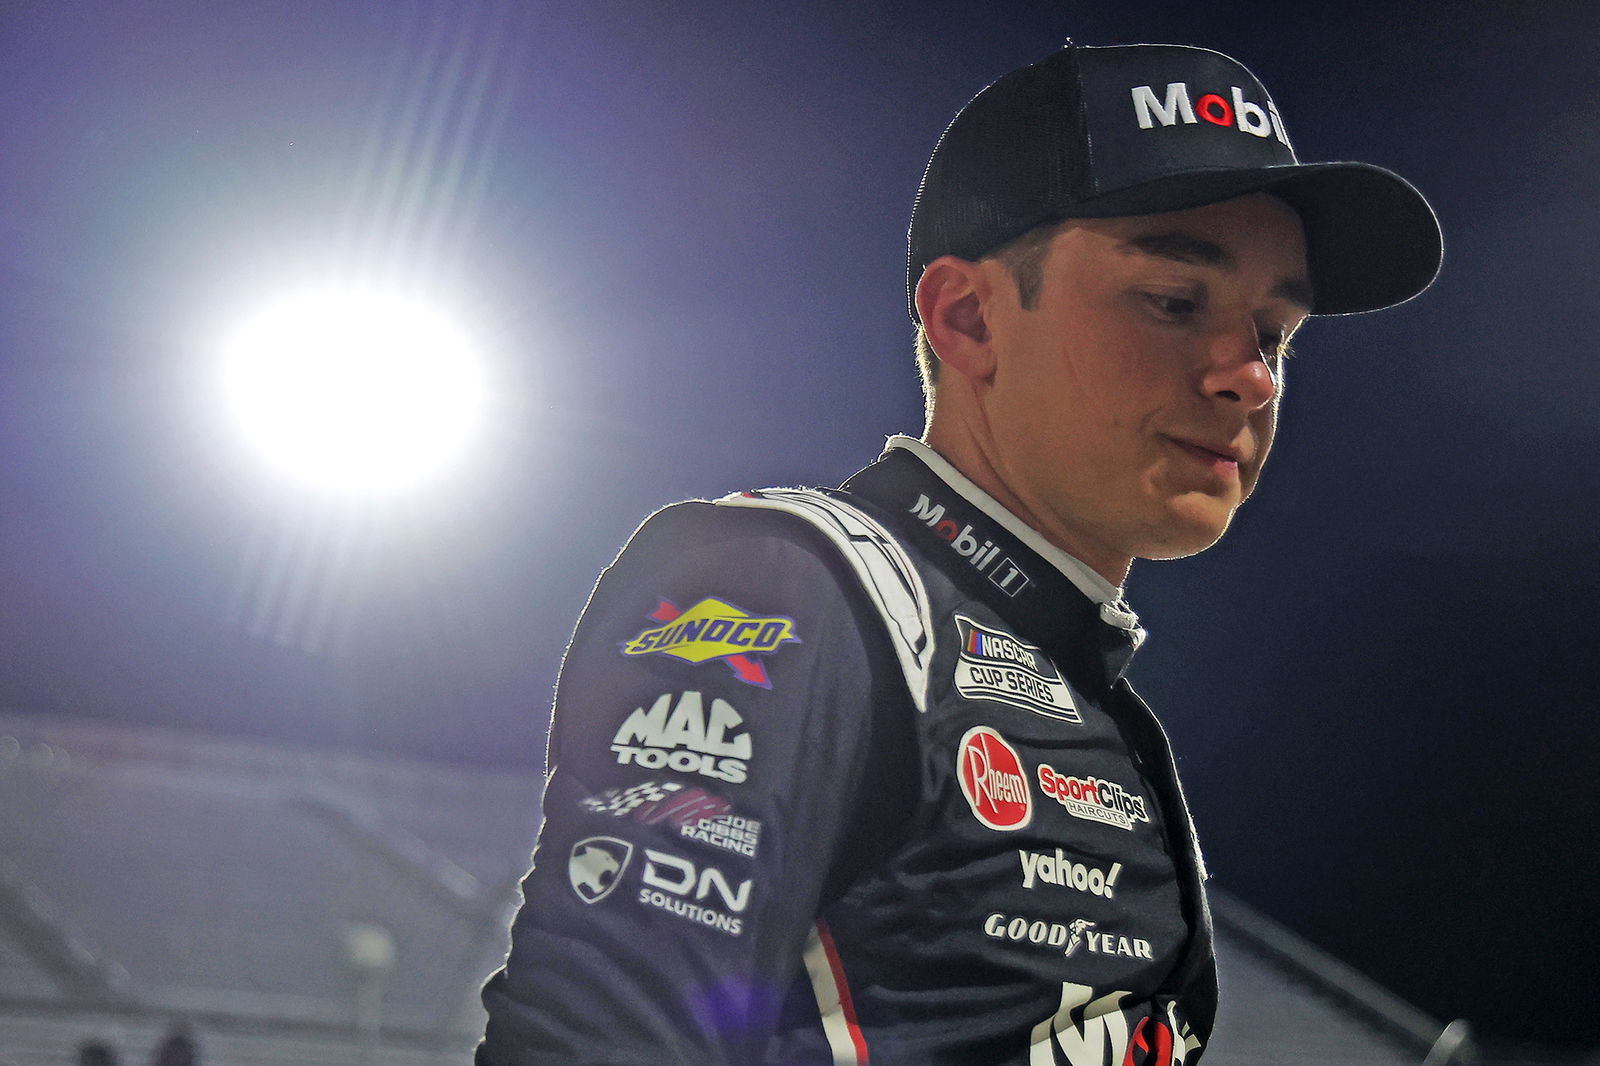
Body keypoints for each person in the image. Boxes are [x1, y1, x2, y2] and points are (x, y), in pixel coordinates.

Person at [477, 40, 1440, 1065]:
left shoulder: (1094, 701)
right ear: (968, 317)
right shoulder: (794, 584)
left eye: (1276, 332)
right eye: (1172, 301)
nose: (1249, 376)